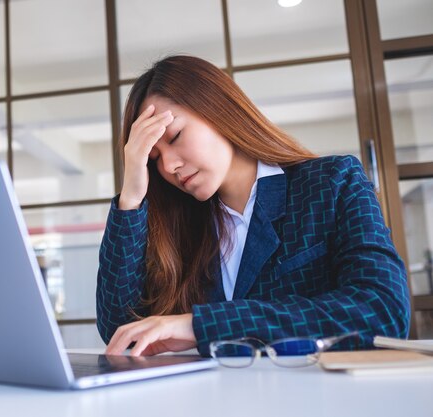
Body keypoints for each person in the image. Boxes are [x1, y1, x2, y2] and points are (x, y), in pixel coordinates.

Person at [96, 55, 410, 358]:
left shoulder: (332, 182)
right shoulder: (182, 225)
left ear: (218, 110)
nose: (170, 166)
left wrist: (202, 325)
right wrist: (131, 199)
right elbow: (121, 331)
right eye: (155, 159)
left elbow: (383, 310)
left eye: (175, 136)